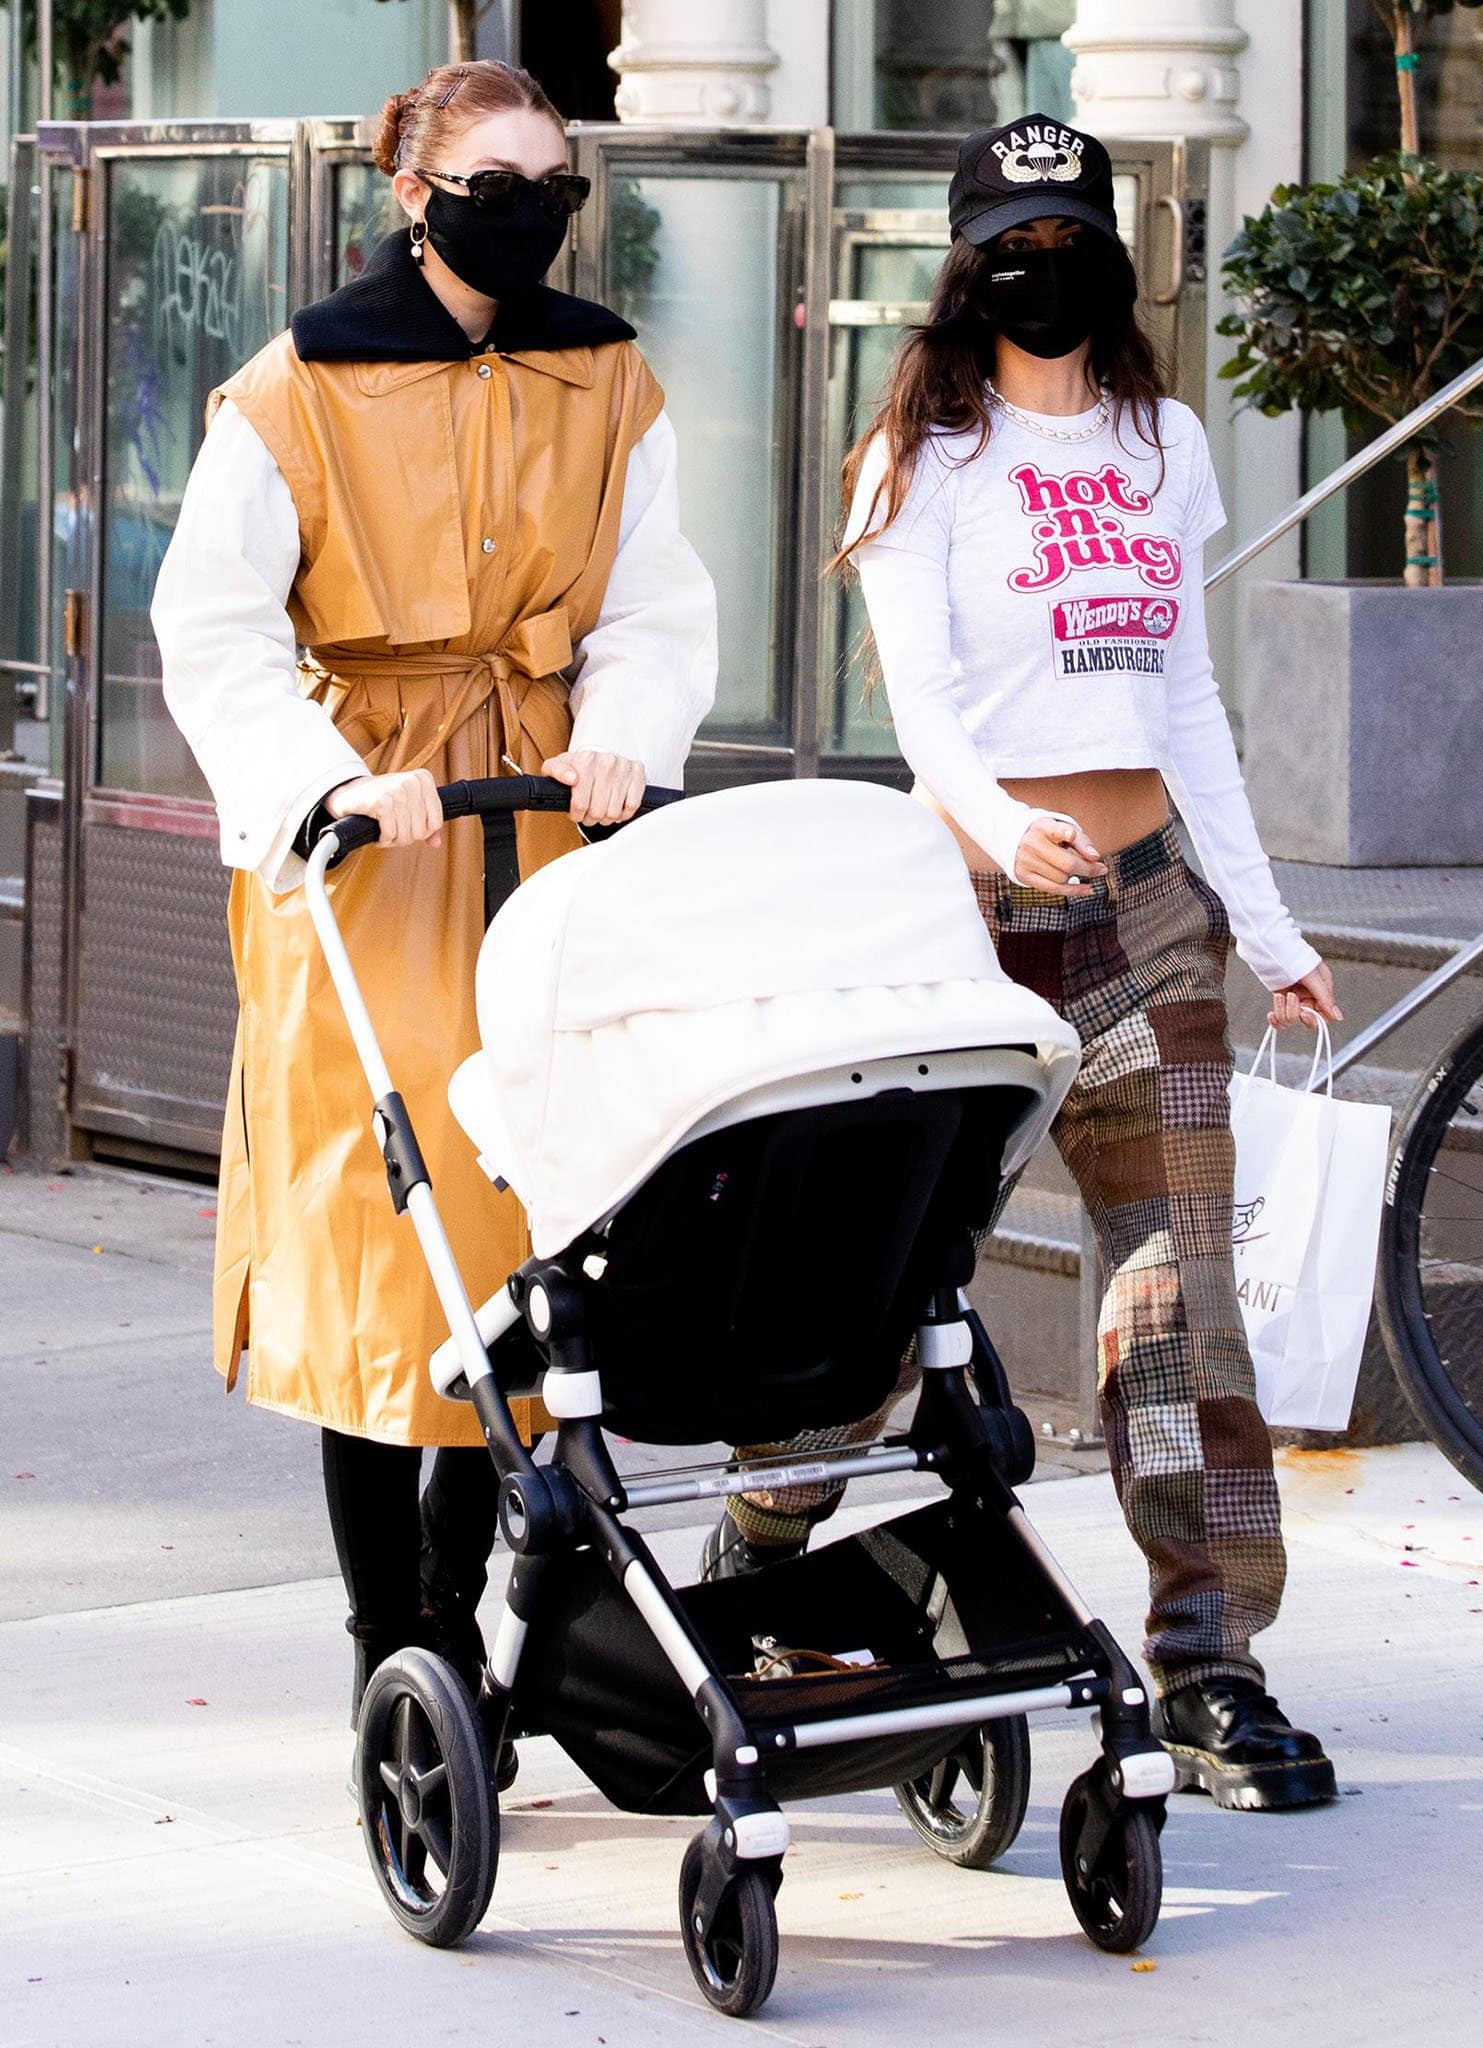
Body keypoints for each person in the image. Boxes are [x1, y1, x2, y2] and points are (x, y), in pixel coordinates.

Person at [701, 116, 1338, 1813]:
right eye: (1017, 244)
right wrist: (997, 823)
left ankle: (1210, 1664)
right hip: (962, 931)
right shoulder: (921, 454)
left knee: (1178, 1303)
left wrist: (1265, 930)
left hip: (1145, 924)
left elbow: (1186, 698)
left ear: (1109, 254)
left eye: (1073, 239)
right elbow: (918, 710)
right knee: (883, 1286)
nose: (1045, 269)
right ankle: (763, 1546)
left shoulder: (1163, 441)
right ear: (971, 265)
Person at [152, 59, 715, 1728]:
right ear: (417, 190)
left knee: (529, 1220)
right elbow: (219, 629)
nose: (533, 202)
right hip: (376, 837)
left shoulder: (607, 376)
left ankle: (470, 1619)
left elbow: (653, 599)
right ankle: (383, 1639)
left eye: (557, 176)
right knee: (383, 1228)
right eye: (498, 175)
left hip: (543, 815)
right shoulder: (296, 390)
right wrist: (325, 784)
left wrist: (620, 736)